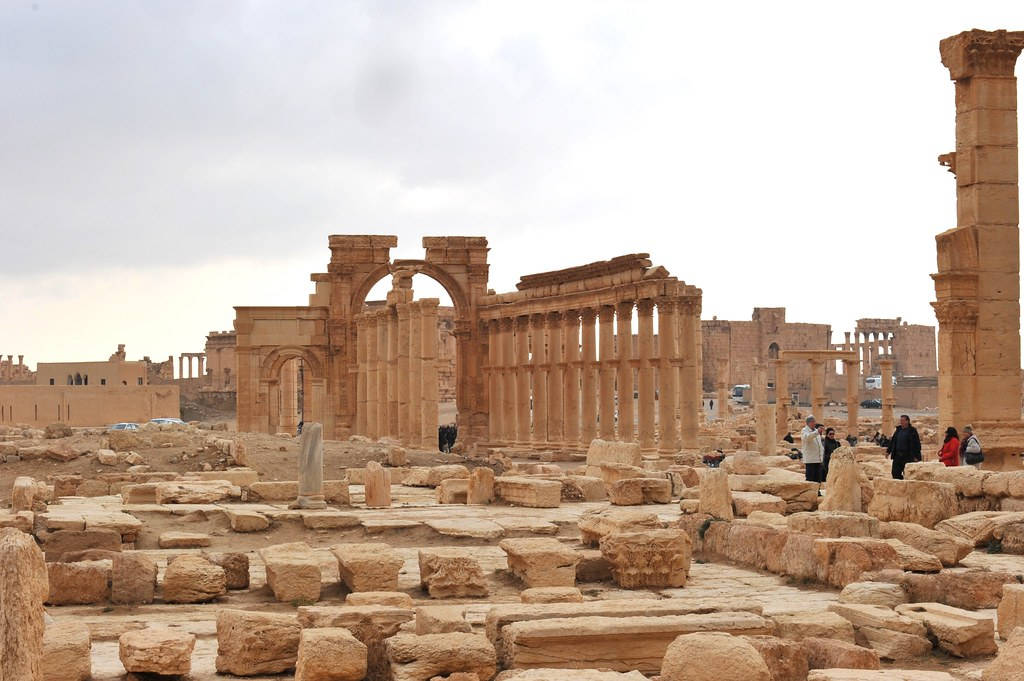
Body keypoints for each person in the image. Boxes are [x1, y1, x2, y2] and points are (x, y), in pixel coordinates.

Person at [886, 414, 921, 479]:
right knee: (895, 472)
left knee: (907, 474)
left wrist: (916, 457)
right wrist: (888, 451)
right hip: (897, 455)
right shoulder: (898, 430)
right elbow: (893, 441)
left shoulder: (912, 431)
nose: (901, 422)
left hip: (908, 456)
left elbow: (917, 444)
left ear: (907, 421)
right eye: (900, 420)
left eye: (903, 420)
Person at [800, 416, 824, 484]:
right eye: (813, 422)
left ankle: (817, 491)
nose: (814, 423)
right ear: (809, 423)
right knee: (811, 477)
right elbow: (807, 438)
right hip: (810, 459)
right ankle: (810, 492)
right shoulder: (804, 430)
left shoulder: (815, 431)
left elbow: (819, 445)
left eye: (814, 422)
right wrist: (817, 432)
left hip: (818, 459)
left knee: (818, 477)